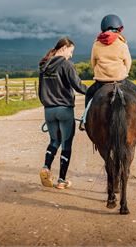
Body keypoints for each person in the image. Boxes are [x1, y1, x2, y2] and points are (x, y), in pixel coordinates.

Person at [79, 14, 136, 130]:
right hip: (120, 80)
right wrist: (124, 73)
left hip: (101, 81)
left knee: (89, 94)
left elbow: (93, 62)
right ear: (118, 28)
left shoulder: (96, 44)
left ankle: (84, 119)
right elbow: (128, 62)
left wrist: (99, 72)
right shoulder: (122, 43)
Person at [38, 37, 87, 189]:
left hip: (49, 111)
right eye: (71, 51)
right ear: (64, 48)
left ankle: (46, 167)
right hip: (64, 110)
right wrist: (93, 91)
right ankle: (61, 180)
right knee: (66, 144)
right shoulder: (66, 65)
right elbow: (78, 86)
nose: (71, 55)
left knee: (54, 141)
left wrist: (47, 103)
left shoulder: (44, 65)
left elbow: (40, 91)